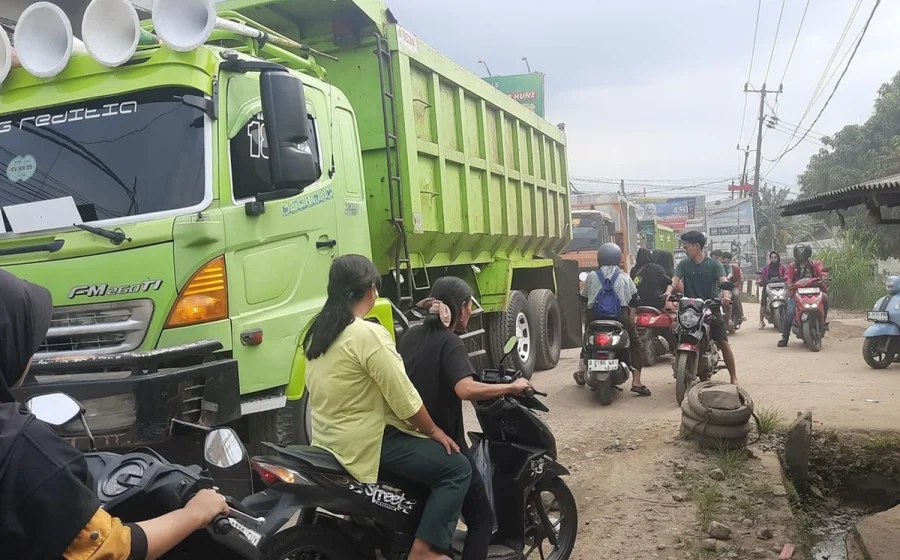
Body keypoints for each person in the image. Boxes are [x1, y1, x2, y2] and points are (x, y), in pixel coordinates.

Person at [0, 269, 229, 560]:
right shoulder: (23, 448)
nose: (32, 356)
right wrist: (197, 513)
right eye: (31, 342)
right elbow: (109, 548)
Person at [303, 255, 471, 560]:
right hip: (368, 442)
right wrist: (435, 432)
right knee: (457, 468)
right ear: (371, 290)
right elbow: (404, 398)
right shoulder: (368, 334)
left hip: (327, 440)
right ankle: (424, 551)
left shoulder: (318, 331)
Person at [397, 277, 531, 560]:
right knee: (481, 519)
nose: (470, 312)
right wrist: (511, 387)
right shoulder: (451, 342)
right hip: (444, 442)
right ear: (460, 308)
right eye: (469, 305)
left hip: (408, 439)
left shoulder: (409, 336)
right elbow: (465, 388)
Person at [664, 231, 739, 385]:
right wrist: (667, 293)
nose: (685, 250)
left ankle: (734, 377)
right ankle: (678, 356)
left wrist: (726, 296)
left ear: (697, 246)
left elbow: (723, 280)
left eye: (687, 247)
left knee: (722, 342)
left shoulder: (714, 264)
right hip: (688, 309)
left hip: (710, 308)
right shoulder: (684, 264)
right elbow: (674, 280)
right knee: (672, 329)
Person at [575, 243, 651, 395]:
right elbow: (635, 299)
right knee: (636, 345)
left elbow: (584, 297)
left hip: (594, 317)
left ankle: (582, 373)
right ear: (617, 259)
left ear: (599, 259)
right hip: (620, 317)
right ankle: (637, 382)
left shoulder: (591, 276)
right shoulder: (624, 277)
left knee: (587, 344)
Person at [777, 244, 829, 348]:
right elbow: (788, 276)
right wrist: (789, 284)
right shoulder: (792, 266)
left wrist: (823, 277)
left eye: (803, 252)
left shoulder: (814, 264)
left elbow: (821, 270)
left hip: (814, 290)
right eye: (799, 252)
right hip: (796, 292)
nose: (801, 255)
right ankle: (785, 337)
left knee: (826, 298)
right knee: (790, 313)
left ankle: (823, 322)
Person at [758, 251, 787, 329]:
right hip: (768, 288)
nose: (773, 259)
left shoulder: (782, 267)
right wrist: (760, 281)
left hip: (781, 287)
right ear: (770, 258)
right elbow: (761, 277)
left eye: (775, 257)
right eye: (772, 257)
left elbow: (787, 275)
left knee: (789, 299)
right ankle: (761, 321)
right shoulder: (766, 268)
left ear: (778, 258)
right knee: (763, 302)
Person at [721, 251, 745, 326]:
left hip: (733, 287)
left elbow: (739, 280)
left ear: (730, 260)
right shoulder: (718, 267)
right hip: (721, 288)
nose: (725, 260)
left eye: (727, 259)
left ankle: (741, 314)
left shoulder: (735, 268)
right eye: (724, 258)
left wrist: (731, 285)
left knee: (735, 295)